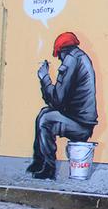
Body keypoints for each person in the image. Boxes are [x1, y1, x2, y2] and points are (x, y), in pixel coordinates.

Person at [27, 32, 98, 180]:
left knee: (45, 120)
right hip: (81, 120)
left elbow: (57, 100)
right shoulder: (80, 57)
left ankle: (48, 168)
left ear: (61, 51)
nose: (59, 59)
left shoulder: (71, 61)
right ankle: (38, 162)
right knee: (44, 113)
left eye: (58, 55)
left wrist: (44, 78)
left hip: (80, 126)